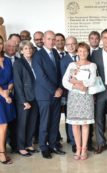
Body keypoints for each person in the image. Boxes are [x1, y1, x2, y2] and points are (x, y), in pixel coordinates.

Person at [32, 30, 65, 159]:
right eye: (49, 39)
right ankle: (43, 147)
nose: (52, 41)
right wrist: (54, 90)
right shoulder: (38, 56)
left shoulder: (56, 53)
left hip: (57, 95)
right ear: (44, 40)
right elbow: (41, 77)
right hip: (45, 95)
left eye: (53, 39)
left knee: (54, 122)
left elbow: (60, 73)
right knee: (45, 122)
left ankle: (53, 145)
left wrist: (61, 88)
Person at [62, 42, 97, 160]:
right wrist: (77, 85)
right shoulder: (72, 65)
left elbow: (91, 81)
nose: (82, 53)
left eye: (85, 51)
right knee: (75, 125)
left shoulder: (92, 65)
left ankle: (84, 149)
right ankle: (77, 148)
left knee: (85, 124)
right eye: (80, 51)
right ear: (77, 52)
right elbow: (65, 81)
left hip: (86, 98)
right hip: (74, 97)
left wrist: (75, 81)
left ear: (88, 52)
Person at [13, 40, 38, 157]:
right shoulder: (18, 63)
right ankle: (21, 146)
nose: (29, 50)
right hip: (24, 99)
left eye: (30, 48)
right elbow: (17, 84)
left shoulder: (35, 61)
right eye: (26, 49)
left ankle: (29, 144)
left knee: (32, 122)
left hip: (35, 96)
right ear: (21, 51)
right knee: (23, 123)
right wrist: (23, 101)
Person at [60, 36, 78, 152]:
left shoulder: (83, 56)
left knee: (83, 118)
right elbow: (63, 78)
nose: (71, 46)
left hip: (83, 94)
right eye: (68, 44)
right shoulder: (63, 60)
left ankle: (86, 140)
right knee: (71, 118)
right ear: (65, 46)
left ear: (76, 44)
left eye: (73, 44)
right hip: (69, 93)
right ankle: (73, 141)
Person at [0, 35, 15, 164]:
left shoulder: (7, 60)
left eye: (0, 43)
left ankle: (2, 149)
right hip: (1, 96)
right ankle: (2, 153)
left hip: (7, 94)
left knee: (5, 125)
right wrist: (4, 94)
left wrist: (8, 91)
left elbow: (11, 79)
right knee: (3, 125)